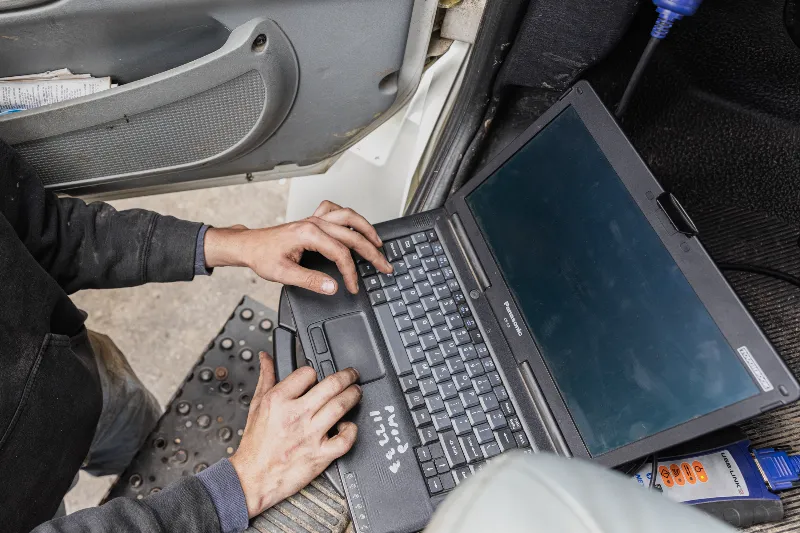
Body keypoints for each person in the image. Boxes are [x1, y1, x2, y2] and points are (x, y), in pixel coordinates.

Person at [0, 140, 393, 533]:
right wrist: (241, 485)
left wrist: (231, 243)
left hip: (81, 378)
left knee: (147, 442)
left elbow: (42, 228)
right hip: (22, 505)